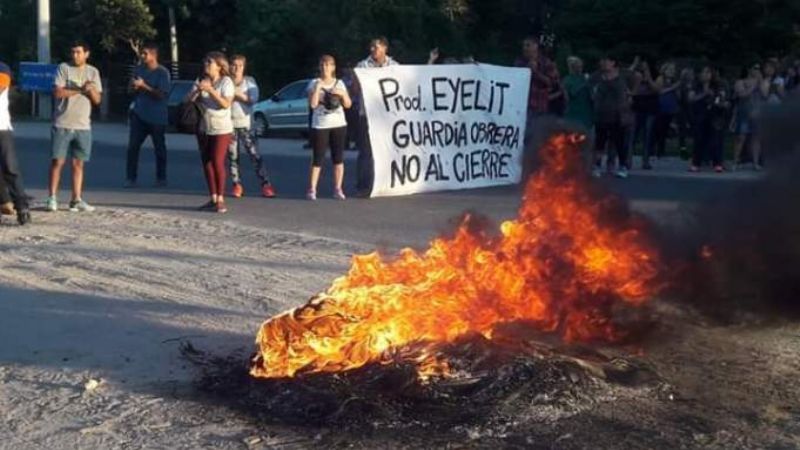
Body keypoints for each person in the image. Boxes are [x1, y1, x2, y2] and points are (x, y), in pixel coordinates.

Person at [47, 40, 102, 213]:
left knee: (78, 163)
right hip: (62, 122)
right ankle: (52, 197)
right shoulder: (64, 68)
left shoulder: (93, 72)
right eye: (72, 52)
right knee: (58, 162)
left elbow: (97, 100)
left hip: (83, 125)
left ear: (86, 54)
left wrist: (90, 90)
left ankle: (76, 198)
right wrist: (80, 90)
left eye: (78, 52)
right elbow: (58, 92)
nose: (75, 55)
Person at [185, 51, 235, 213]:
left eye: (209, 62)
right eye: (205, 62)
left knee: (217, 160)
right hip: (204, 126)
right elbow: (186, 100)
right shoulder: (200, 80)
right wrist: (197, 91)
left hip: (221, 128)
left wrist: (211, 91)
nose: (206, 65)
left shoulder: (226, 82)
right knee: (206, 162)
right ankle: (212, 197)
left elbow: (226, 104)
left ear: (219, 66)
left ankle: (221, 198)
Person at [353, 37, 398, 197]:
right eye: (371, 47)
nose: (373, 50)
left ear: (385, 48)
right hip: (367, 115)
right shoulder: (362, 66)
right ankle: (363, 185)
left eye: (376, 47)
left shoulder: (394, 67)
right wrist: (357, 79)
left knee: (388, 149)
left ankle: (387, 182)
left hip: (387, 117)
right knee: (366, 152)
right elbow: (355, 91)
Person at [228, 54, 276, 199]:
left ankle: (265, 184)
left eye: (240, 65)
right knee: (232, 157)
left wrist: (237, 94)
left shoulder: (249, 82)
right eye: (234, 65)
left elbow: (252, 100)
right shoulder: (226, 81)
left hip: (246, 125)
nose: (237, 68)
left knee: (255, 155)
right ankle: (237, 184)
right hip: (229, 124)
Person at [125, 41, 171, 188]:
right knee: (133, 147)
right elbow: (130, 90)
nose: (142, 56)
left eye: (145, 53)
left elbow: (161, 95)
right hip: (139, 115)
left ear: (153, 55)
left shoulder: (162, 73)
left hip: (157, 117)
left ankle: (161, 177)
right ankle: (130, 178)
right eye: (142, 53)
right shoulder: (138, 70)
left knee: (159, 149)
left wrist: (144, 86)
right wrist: (133, 86)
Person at [306, 55, 352, 200]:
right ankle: (312, 188)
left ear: (333, 68)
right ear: (320, 67)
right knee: (318, 158)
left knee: (338, 158)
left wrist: (343, 94)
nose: (325, 68)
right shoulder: (313, 83)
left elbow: (348, 104)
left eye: (328, 65)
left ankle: (338, 188)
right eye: (323, 65)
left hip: (338, 123)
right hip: (320, 124)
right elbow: (312, 105)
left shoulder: (340, 83)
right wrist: (318, 88)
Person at [589, 55, 630, 179]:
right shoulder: (597, 77)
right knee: (599, 142)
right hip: (601, 114)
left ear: (613, 63)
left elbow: (637, 77)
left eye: (607, 61)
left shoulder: (622, 76)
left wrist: (631, 94)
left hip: (617, 115)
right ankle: (596, 165)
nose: (604, 63)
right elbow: (590, 87)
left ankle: (623, 166)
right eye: (603, 60)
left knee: (619, 142)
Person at [0, 62, 31, 225]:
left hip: (1, 127)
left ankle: (22, 207)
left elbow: (2, 85)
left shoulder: (2, 68)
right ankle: (3, 203)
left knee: (10, 168)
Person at [688, 66, 729, 172]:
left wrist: (722, 103)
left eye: (708, 72)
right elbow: (691, 98)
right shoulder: (696, 86)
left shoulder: (717, 86)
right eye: (703, 72)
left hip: (714, 115)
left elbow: (722, 99)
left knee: (715, 140)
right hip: (700, 115)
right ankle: (696, 163)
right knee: (698, 139)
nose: (706, 75)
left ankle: (717, 163)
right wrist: (704, 94)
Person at [732, 63, 766, 171]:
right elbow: (742, 95)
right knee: (741, 137)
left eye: (758, 68)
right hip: (744, 113)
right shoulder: (740, 82)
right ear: (749, 69)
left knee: (756, 138)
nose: (757, 70)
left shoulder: (761, 82)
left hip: (757, 113)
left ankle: (755, 163)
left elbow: (765, 95)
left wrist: (760, 83)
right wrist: (753, 86)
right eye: (755, 68)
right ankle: (735, 162)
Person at [629, 58, 659, 170]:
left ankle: (645, 161)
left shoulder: (656, 76)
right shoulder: (636, 76)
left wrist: (649, 77)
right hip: (636, 107)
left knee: (647, 135)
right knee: (632, 136)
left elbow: (656, 89)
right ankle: (628, 160)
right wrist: (634, 65)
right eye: (642, 66)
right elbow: (627, 78)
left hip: (650, 108)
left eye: (646, 66)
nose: (643, 68)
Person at [654, 62, 680, 159]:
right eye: (670, 69)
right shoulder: (661, 79)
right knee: (659, 129)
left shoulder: (673, 81)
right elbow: (659, 91)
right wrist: (673, 88)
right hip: (661, 107)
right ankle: (656, 150)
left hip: (671, 107)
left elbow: (677, 95)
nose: (672, 72)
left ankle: (662, 150)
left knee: (665, 130)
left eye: (673, 70)